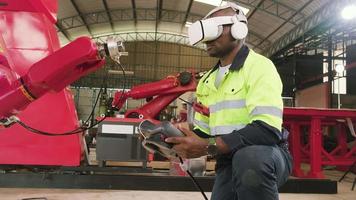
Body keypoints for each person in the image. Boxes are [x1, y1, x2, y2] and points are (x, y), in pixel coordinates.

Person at [165, 2, 292, 200]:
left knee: (250, 158)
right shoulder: (206, 81)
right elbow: (203, 132)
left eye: (214, 31)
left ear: (238, 29)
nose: (207, 40)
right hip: (228, 161)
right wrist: (175, 138)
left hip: (267, 155)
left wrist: (208, 146)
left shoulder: (259, 66)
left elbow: (267, 129)